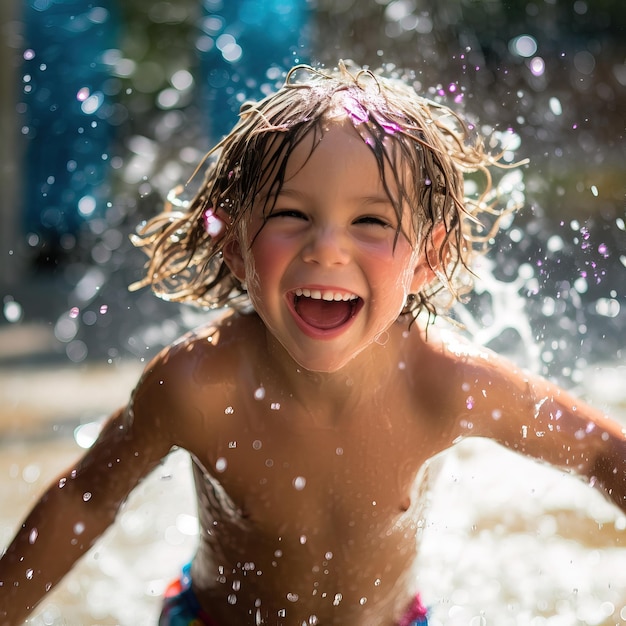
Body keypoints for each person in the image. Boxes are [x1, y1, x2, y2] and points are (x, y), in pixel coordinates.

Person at [1, 61, 624, 626]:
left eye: (372, 222)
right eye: (291, 214)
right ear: (232, 242)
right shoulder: (199, 385)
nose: (327, 248)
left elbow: (600, 454)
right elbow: (87, 497)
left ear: (428, 258)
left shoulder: (448, 385)